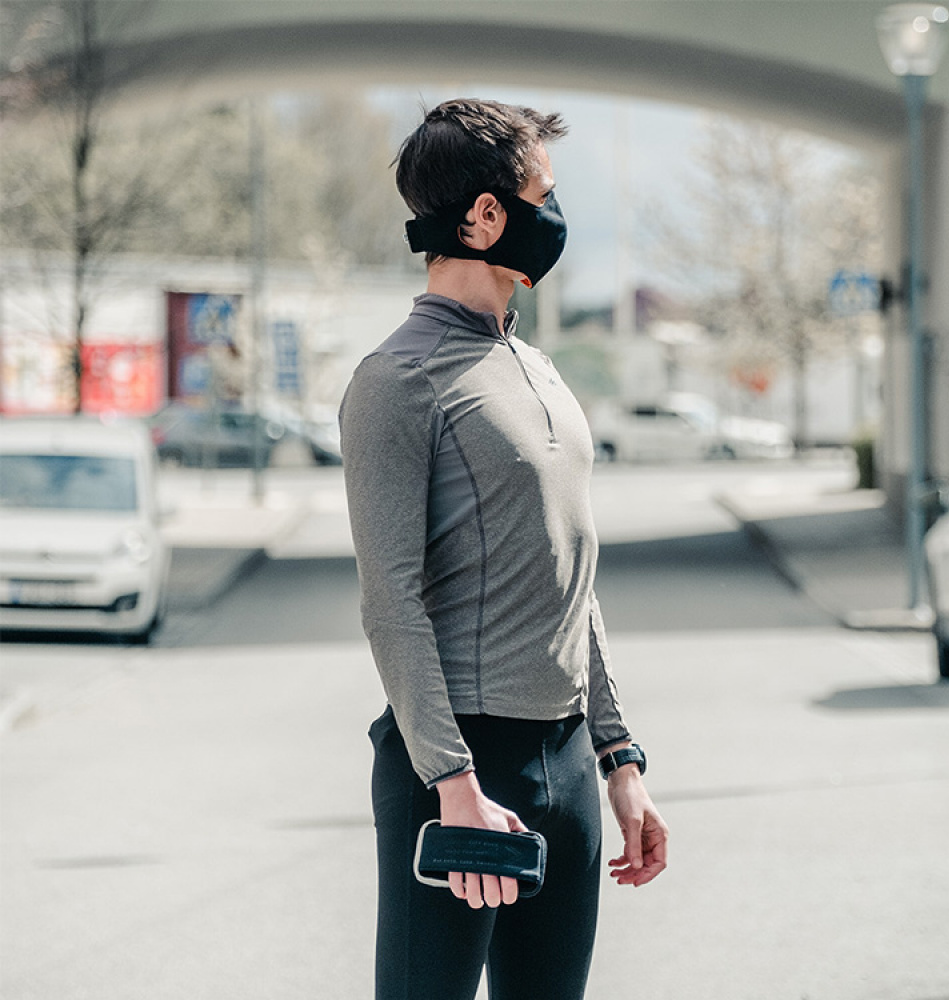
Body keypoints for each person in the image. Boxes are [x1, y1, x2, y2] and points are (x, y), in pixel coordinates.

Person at [339, 98, 669, 1000]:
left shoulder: (540, 370)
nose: (554, 218)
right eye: (542, 195)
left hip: (565, 767)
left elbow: (574, 579)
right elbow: (390, 605)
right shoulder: (396, 382)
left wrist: (619, 759)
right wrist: (452, 781)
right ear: (485, 215)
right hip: (460, 764)